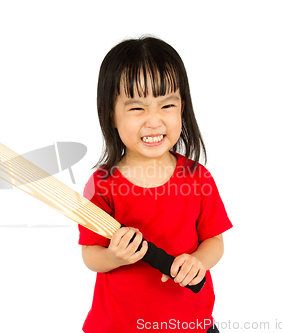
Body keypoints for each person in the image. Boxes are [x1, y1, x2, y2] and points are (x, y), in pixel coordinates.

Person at [78, 35, 233, 333]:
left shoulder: (197, 178)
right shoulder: (102, 185)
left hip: (190, 324)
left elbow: (214, 241)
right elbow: (90, 255)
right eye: (137, 108)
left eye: (166, 105)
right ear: (110, 113)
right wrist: (113, 256)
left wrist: (198, 261)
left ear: (182, 107)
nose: (153, 121)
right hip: (119, 327)